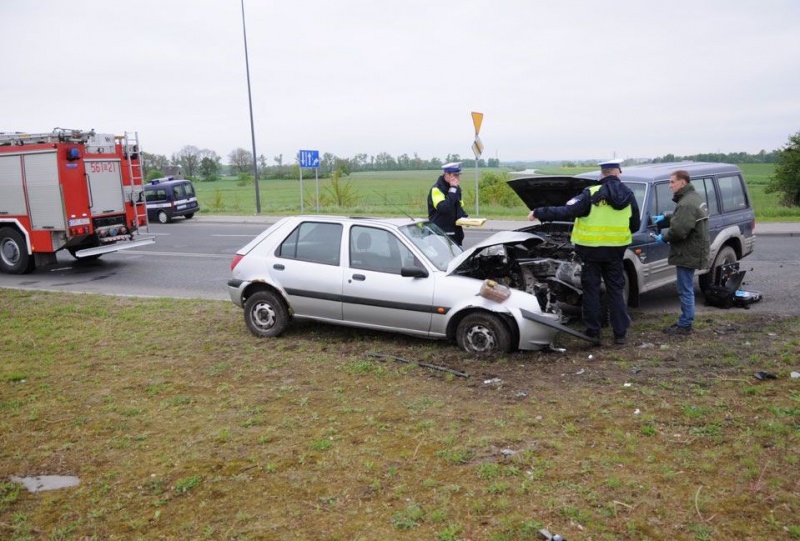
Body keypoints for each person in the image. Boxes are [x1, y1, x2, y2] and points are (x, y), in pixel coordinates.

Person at [529, 159, 641, 345]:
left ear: (602, 174)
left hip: (591, 253)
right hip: (615, 252)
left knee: (591, 291)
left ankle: (593, 332)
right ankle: (620, 334)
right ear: (618, 173)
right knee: (615, 291)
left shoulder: (591, 194)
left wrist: (539, 212)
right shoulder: (628, 195)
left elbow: (566, 211)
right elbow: (635, 225)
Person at [652, 169, 710, 335]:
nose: (670, 186)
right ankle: (686, 321)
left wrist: (663, 238)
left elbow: (678, 231)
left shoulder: (686, 202)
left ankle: (685, 324)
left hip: (688, 251)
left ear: (682, 183)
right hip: (694, 249)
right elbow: (685, 216)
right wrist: (666, 217)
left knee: (685, 289)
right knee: (686, 287)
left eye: (672, 182)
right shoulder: (693, 197)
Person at [428, 162, 469, 246]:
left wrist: (464, 219)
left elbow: (459, 207)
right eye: (455, 175)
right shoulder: (436, 189)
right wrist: (453, 188)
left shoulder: (456, 188)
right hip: (441, 234)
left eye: (458, 175)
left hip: (455, 234)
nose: (458, 178)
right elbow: (444, 208)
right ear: (447, 174)